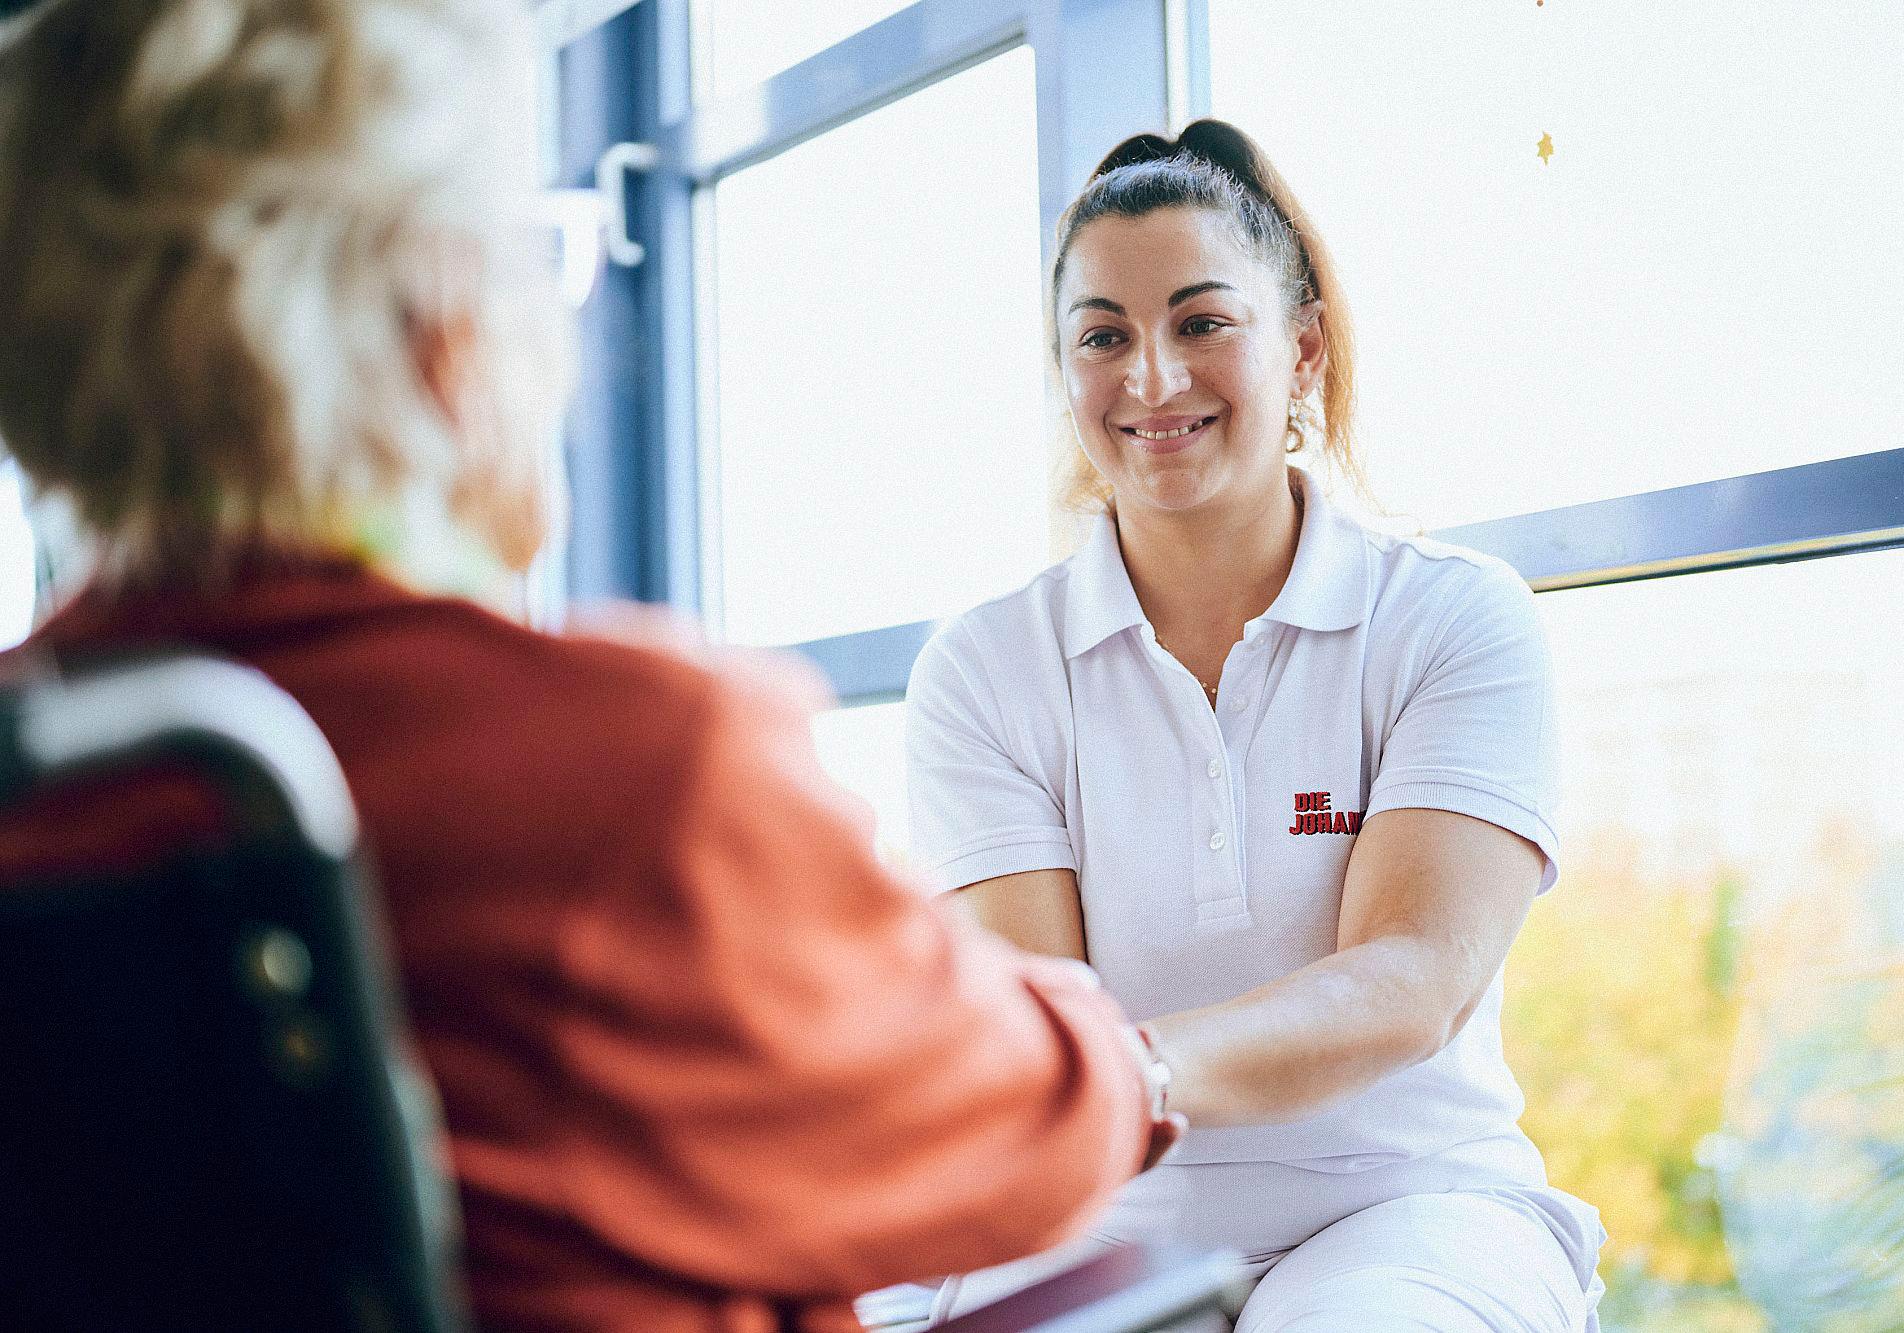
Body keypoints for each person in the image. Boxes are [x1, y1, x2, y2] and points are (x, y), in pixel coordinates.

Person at [0, 2, 1179, 1329]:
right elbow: (1024, 1125)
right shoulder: (625, 777)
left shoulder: (35, 773)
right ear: (447, 328)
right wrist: (1115, 1058)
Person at [907, 120, 1609, 1331]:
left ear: (1301, 345)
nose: (1151, 379)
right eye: (1102, 338)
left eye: (1199, 322)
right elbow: (1038, 1014)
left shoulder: (1451, 618)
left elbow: (1410, 980)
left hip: (1406, 1204)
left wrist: (1135, 1069)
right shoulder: (983, 668)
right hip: (1101, 1215)